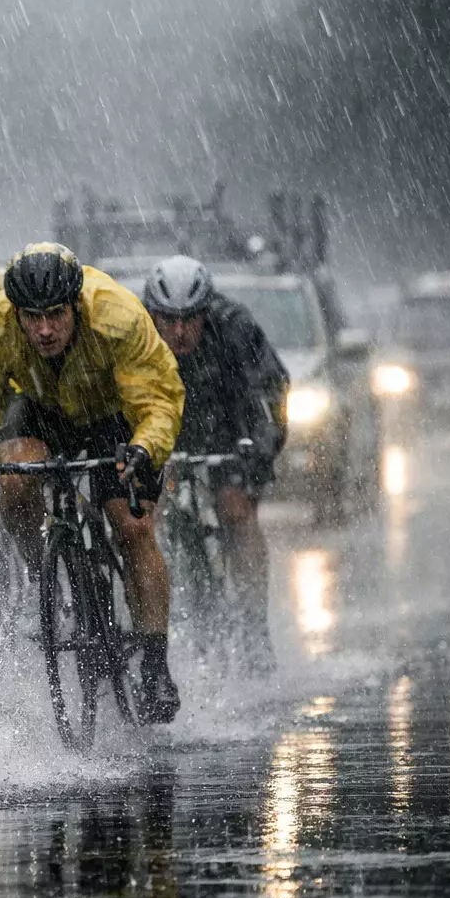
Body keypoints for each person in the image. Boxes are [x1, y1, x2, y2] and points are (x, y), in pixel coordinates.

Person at [0, 243, 184, 724]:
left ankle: (156, 665)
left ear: (76, 305)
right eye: (32, 317)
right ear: (14, 312)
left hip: (112, 415)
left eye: (56, 315)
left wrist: (144, 449)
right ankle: (51, 571)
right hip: (42, 409)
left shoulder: (118, 315)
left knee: (131, 524)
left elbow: (159, 400)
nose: (43, 329)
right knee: (14, 479)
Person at [141, 255, 288, 673]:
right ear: (153, 314)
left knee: (236, 509)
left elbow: (270, 391)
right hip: (164, 423)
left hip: (227, 425)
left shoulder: (236, 327)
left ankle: (255, 626)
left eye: (189, 319)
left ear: (207, 311)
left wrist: (262, 447)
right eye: (168, 320)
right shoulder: (136, 331)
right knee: (147, 513)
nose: (179, 331)